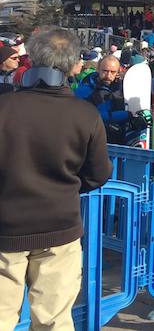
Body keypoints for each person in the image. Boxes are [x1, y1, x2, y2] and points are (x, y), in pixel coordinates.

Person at [0, 28, 112, 329]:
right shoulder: (85, 115)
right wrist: (65, 187)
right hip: (60, 228)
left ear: (33, 60)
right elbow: (99, 174)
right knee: (54, 322)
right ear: (73, 65)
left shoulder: (4, 107)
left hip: (6, 227)